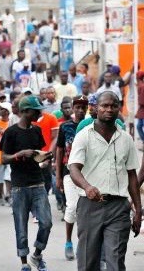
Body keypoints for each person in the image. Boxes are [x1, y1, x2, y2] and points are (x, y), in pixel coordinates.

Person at [68, 91, 141, 271]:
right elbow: (73, 168)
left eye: (113, 106)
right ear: (96, 108)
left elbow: (132, 175)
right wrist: (87, 186)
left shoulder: (126, 139)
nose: (109, 109)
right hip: (89, 205)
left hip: (118, 208)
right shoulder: (84, 135)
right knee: (88, 262)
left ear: (118, 108)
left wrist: (138, 211)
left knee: (115, 262)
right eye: (104, 106)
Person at [0, 95, 54, 271]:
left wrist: (45, 158)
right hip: (19, 186)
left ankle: (37, 255)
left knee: (46, 222)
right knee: (21, 227)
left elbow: (39, 153)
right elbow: (3, 158)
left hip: (38, 182)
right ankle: (24, 263)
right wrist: (19, 154)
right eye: (35, 111)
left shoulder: (36, 131)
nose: (38, 113)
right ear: (25, 112)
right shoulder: (11, 132)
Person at [55, 95, 88, 261]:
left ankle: (84, 244)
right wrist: (58, 175)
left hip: (87, 173)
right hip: (69, 172)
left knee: (86, 211)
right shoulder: (65, 127)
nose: (80, 110)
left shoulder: (91, 126)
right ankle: (68, 242)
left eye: (84, 107)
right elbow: (60, 150)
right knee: (72, 207)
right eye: (78, 107)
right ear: (73, 108)